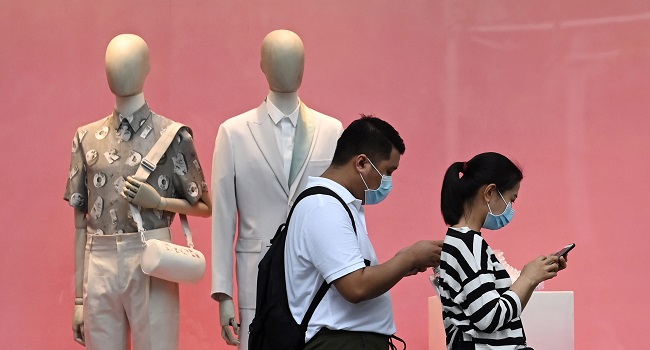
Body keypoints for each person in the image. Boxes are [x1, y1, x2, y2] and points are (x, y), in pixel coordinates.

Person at [65, 33, 211, 350]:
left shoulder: (173, 135)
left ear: (147, 68)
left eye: (129, 62)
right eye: (112, 64)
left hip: (153, 253)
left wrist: (159, 201)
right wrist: (79, 298)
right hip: (99, 257)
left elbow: (203, 204)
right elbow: (80, 221)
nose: (119, 70)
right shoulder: (85, 138)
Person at [210, 29, 343, 348]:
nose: (288, 67)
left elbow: (341, 210)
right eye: (279, 59)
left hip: (317, 276)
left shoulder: (331, 130)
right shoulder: (234, 133)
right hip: (256, 277)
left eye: (295, 59)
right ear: (262, 66)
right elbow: (224, 218)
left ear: (304, 65)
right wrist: (223, 293)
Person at [284, 115, 444, 349]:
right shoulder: (324, 207)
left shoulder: (335, 204)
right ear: (361, 163)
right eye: (388, 171)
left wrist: (401, 262)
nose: (388, 181)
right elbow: (356, 287)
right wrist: (409, 257)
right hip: (342, 342)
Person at [435, 152, 568, 350]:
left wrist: (534, 278)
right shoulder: (469, 243)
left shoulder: (463, 241)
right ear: (489, 193)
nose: (511, 208)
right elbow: (489, 318)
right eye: (511, 199)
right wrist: (527, 278)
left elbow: (501, 315)